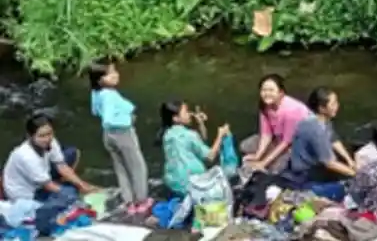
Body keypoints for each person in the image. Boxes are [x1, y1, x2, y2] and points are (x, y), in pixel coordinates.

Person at [88, 61, 151, 213]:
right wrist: (126, 120)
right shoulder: (109, 95)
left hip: (108, 137)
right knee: (137, 167)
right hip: (122, 133)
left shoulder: (96, 93)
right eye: (110, 73)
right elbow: (107, 119)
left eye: (115, 71)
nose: (116, 74)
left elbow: (95, 112)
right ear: (101, 80)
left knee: (121, 168)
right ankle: (141, 201)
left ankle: (129, 202)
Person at [3, 114, 96, 205]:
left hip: (41, 174)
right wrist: (75, 196)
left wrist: (81, 184)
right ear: (30, 137)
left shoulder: (50, 141)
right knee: (71, 195)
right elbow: (48, 186)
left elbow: (61, 166)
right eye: (41, 136)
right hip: (27, 193)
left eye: (49, 133)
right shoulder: (27, 157)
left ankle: (63, 183)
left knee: (72, 153)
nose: (47, 139)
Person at [281, 87, 356, 199]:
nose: (337, 106)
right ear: (322, 108)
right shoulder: (316, 129)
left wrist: (349, 160)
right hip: (305, 176)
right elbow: (329, 163)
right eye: (333, 103)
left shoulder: (322, 120)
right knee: (347, 190)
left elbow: (333, 138)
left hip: (315, 167)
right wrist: (356, 175)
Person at [158, 100, 230, 197]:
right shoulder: (189, 135)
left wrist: (200, 123)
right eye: (186, 112)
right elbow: (210, 156)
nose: (190, 114)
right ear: (175, 118)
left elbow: (200, 141)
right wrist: (220, 135)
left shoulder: (167, 135)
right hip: (191, 183)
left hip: (173, 183)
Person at [243, 74, 311, 173]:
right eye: (264, 90)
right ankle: (269, 154)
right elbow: (266, 134)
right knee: (245, 145)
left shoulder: (292, 110)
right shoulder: (265, 106)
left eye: (271, 90)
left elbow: (286, 142)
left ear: (281, 93)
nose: (267, 94)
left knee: (274, 169)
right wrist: (258, 156)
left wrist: (263, 163)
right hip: (278, 139)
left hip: (296, 145)